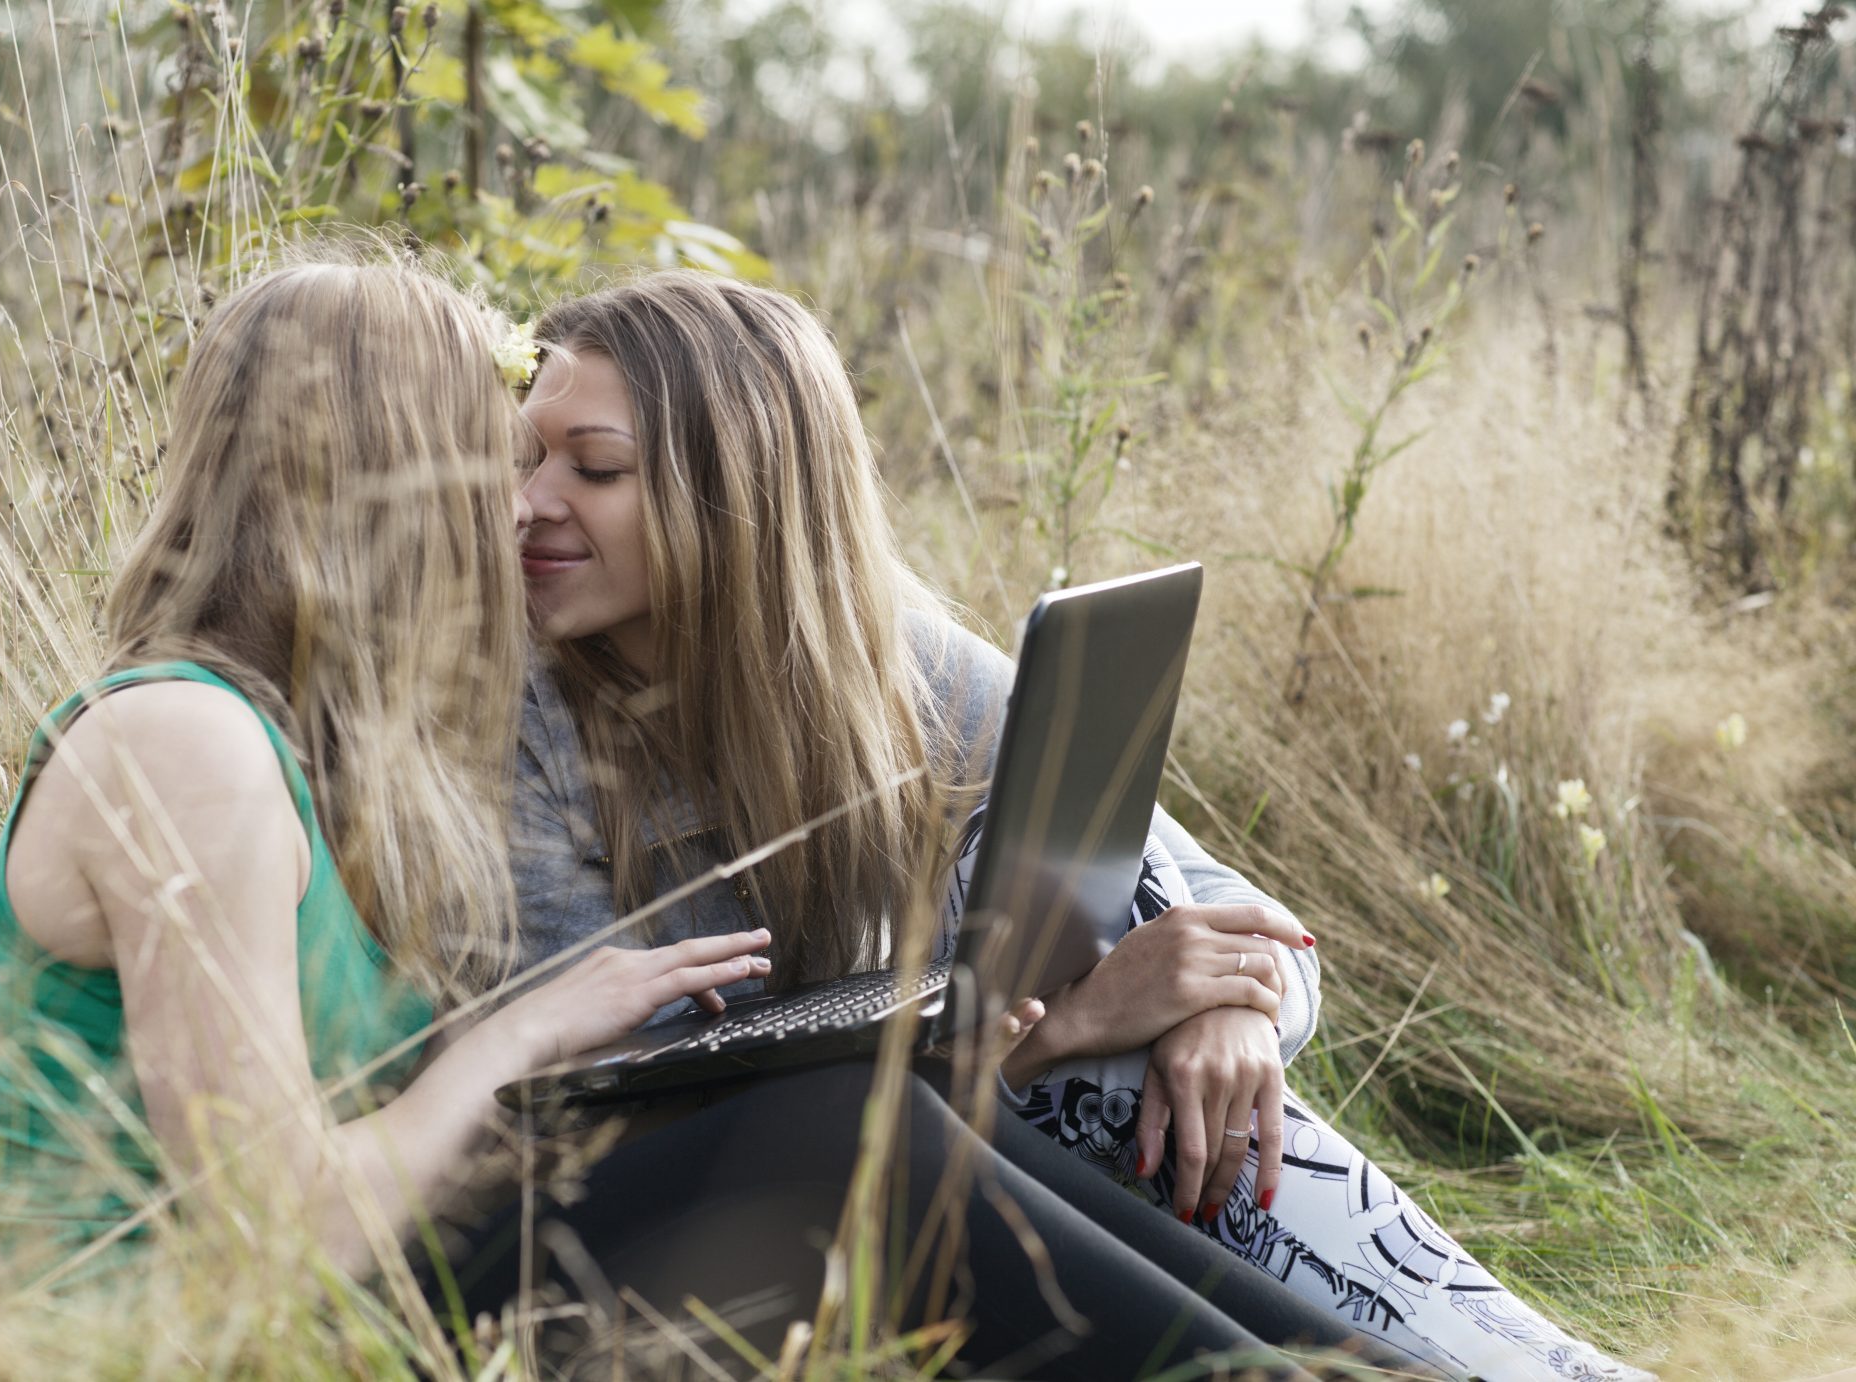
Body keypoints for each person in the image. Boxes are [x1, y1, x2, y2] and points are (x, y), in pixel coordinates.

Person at [0, 256, 1404, 1380]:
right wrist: (519, 1033)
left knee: (843, 1115)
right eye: (491, 456)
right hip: (215, 1345)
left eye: (565, 467)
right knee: (828, 1128)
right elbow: (283, 1236)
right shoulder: (184, 747)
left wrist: (1127, 1011)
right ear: (372, 476)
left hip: (377, 1290)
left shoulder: (279, 740)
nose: (516, 504)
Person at [509, 268, 1654, 1382]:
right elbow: (633, 1100)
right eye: (525, 457)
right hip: (692, 1229)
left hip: (940, 1146)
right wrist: (1040, 1043)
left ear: (743, 493)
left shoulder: (897, 668)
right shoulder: (526, 726)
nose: (526, 502)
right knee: (1090, 1047)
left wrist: (1233, 1015)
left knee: (1137, 1022)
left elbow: (1234, 912)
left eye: (592, 468)